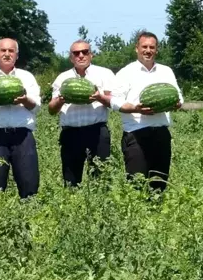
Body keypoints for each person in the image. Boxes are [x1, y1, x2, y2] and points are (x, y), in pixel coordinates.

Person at [110, 31, 183, 193]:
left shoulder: (166, 71)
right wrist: (135, 108)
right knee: (136, 184)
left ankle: (157, 214)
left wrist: (177, 104)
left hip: (161, 133)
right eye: (144, 47)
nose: (148, 50)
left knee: (159, 184)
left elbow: (178, 96)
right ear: (137, 48)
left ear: (156, 50)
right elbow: (114, 101)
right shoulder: (126, 72)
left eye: (152, 47)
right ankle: (136, 216)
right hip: (136, 134)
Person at [0, 38, 41, 199]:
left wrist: (25, 100)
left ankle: (30, 218)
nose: (7, 54)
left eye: (11, 51)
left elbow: (37, 107)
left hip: (23, 136)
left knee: (29, 183)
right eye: (3, 50)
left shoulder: (27, 77)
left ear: (17, 55)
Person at [48, 40, 115, 187]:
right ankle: (72, 207)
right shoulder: (62, 78)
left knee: (101, 179)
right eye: (76, 53)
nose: (81, 56)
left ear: (91, 54)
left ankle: (102, 208)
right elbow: (51, 109)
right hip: (70, 134)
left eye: (85, 52)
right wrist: (60, 100)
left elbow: (114, 102)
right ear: (71, 57)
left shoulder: (104, 73)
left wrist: (99, 97)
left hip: (97, 132)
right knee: (70, 181)